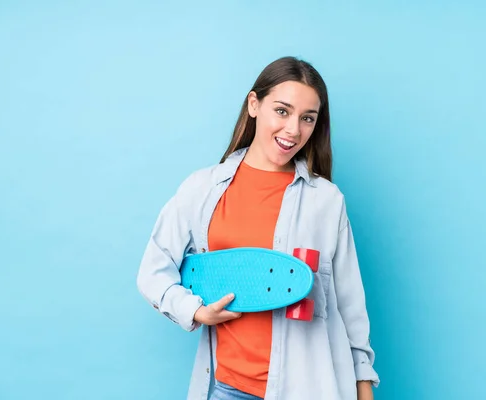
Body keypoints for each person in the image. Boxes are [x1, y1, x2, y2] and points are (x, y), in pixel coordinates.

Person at [137, 56, 380, 400]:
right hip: (226, 389)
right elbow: (153, 272)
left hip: (308, 389)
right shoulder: (201, 189)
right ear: (254, 104)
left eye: (307, 118)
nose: (293, 129)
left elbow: (351, 307)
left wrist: (364, 388)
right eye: (282, 111)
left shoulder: (326, 201)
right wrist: (195, 310)